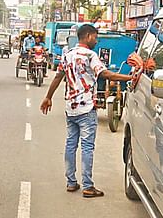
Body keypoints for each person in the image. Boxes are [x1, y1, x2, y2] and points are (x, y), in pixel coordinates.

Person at [40, 24, 134, 198]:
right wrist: (131, 77)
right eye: (95, 37)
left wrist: (48, 97)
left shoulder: (67, 55)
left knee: (70, 144)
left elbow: (58, 77)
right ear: (88, 36)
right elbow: (106, 75)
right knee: (87, 147)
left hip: (70, 107)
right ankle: (88, 186)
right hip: (87, 108)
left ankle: (71, 182)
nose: (96, 41)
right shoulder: (90, 55)